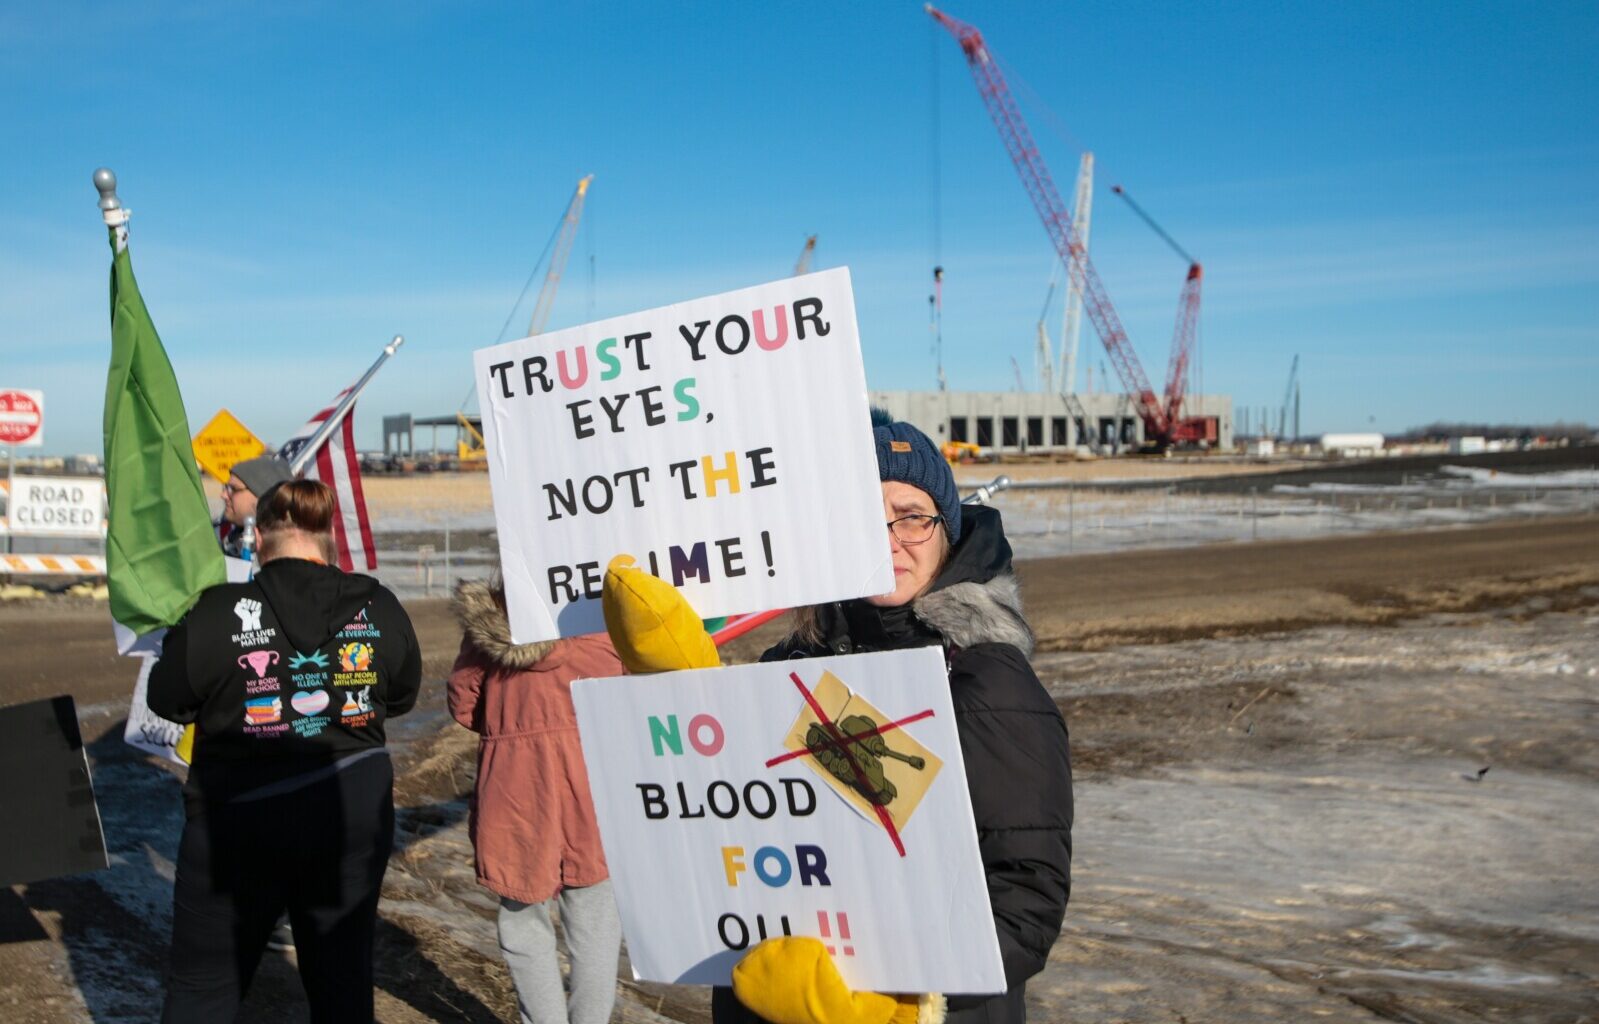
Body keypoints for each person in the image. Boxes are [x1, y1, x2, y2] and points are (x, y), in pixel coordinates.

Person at [603, 421, 1072, 1024]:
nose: (890, 539)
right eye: (864, 516)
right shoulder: (794, 663)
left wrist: (895, 1006)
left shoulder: (987, 683)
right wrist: (676, 686)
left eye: (912, 516)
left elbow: (1026, 899)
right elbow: (727, 808)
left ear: (947, 533)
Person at [148, 479, 421, 1023]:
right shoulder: (377, 605)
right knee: (342, 985)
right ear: (327, 539)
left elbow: (168, 697)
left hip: (236, 827)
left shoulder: (220, 609)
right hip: (349, 822)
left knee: (204, 991)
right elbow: (402, 695)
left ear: (259, 540)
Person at [448, 577, 625, 1024]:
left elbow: (462, 702)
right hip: (594, 781)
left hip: (514, 787)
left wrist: (509, 724)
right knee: (596, 919)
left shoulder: (492, 617)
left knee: (522, 919)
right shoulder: (604, 615)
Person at [218, 454, 295, 557]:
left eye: (233, 489)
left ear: (263, 496)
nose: (223, 495)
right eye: (226, 487)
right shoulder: (223, 539)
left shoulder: (285, 555)